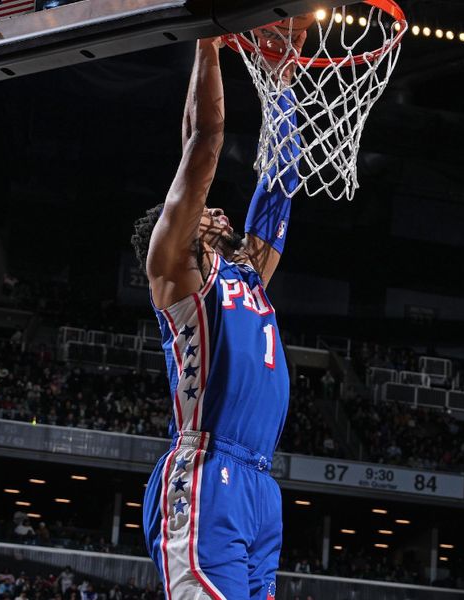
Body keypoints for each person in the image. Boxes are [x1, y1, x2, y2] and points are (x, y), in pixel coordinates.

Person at [132, 22, 310, 600]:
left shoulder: (247, 275)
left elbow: (279, 185)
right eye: (204, 213)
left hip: (259, 484)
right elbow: (203, 140)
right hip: (207, 472)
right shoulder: (181, 274)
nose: (220, 213)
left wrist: (284, 77)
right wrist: (208, 41)